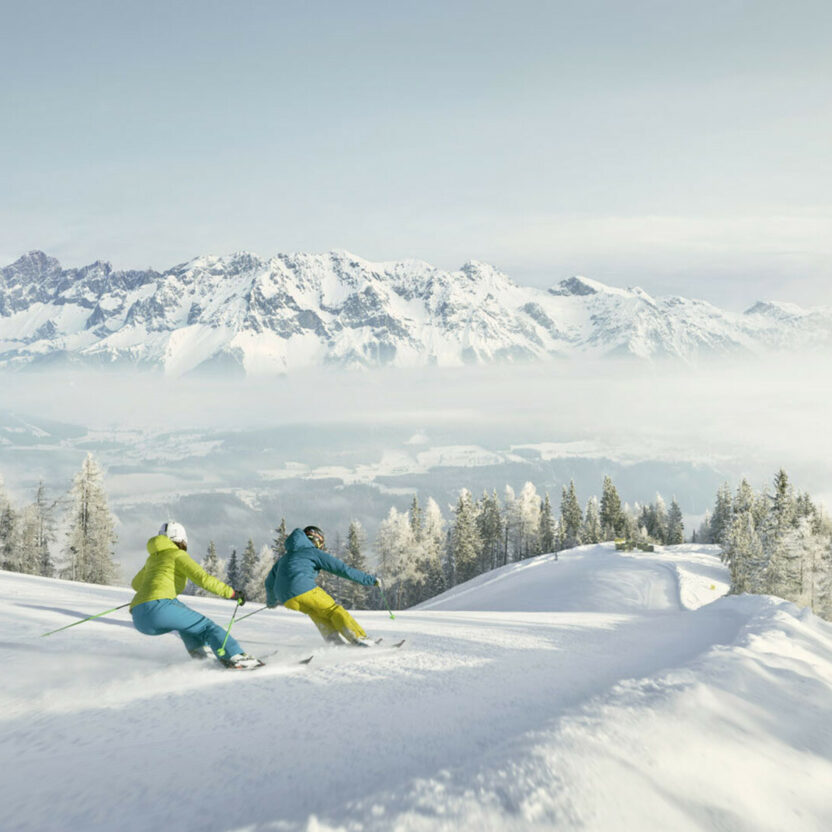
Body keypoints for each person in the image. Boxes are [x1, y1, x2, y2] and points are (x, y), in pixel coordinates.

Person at [130, 521, 262, 669]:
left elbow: (136, 584)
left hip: (138, 616)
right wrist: (231, 593)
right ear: (181, 539)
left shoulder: (152, 558)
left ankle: (202, 656)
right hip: (159, 607)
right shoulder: (177, 554)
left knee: (187, 626)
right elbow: (203, 579)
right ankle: (235, 657)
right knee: (207, 627)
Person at [265, 525, 378, 646]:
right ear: (316, 540)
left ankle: (334, 642)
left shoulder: (283, 559)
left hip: (286, 599)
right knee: (333, 610)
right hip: (304, 589)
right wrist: (370, 580)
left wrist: (271, 601)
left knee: (317, 613)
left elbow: (269, 582)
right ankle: (358, 638)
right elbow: (343, 570)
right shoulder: (313, 552)